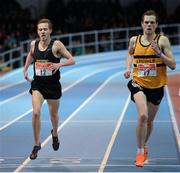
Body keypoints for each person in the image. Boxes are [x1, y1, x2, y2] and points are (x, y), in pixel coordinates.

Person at [124, 10, 176, 167]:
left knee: (150, 121)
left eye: (152, 22)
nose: (149, 25)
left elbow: (173, 65)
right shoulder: (135, 40)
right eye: (146, 22)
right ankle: (139, 151)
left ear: (156, 25)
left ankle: (143, 146)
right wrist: (128, 67)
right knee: (143, 116)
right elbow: (129, 53)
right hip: (138, 83)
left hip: (157, 86)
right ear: (142, 24)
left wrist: (159, 54)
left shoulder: (163, 41)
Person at [23, 18, 75, 160]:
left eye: (45, 29)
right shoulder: (34, 44)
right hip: (38, 84)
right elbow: (31, 54)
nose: (43, 32)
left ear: (50, 30)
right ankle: (36, 144)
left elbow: (72, 60)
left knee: (53, 116)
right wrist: (26, 68)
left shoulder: (56, 45)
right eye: (40, 29)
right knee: (35, 113)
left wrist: (59, 65)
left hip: (52, 86)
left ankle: (55, 134)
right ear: (37, 31)